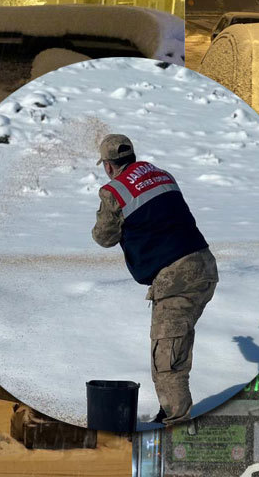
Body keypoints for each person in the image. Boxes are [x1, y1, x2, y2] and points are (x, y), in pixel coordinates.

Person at [91, 133, 217, 425]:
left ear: (109, 166)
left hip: (176, 278)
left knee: (167, 362)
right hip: (204, 267)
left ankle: (175, 422)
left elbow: (103, 237)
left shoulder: (114, 191)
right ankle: (170, 412)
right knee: (175, 348)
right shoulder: (162, 175)